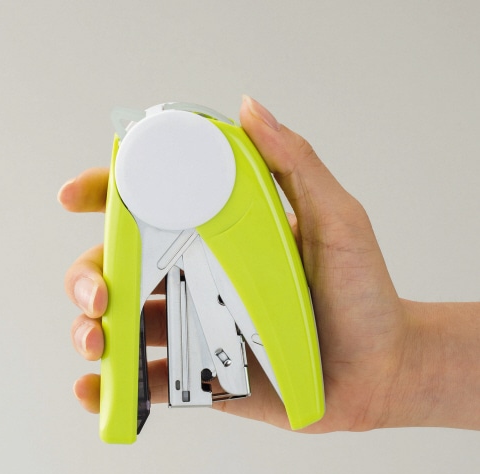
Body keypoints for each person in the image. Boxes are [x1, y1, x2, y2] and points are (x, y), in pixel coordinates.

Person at [58, 96, 480, 432]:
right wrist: (399, 363)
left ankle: (122, 421)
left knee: (112, 317)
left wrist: (399, 365)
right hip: (206, 187)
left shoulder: (159, 160)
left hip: (171, 186)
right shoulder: (212, 156)